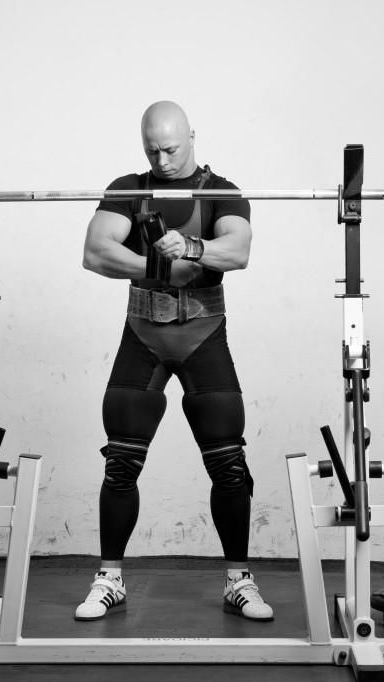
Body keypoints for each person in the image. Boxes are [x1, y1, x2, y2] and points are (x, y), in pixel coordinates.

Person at [76, 101, 273, 622]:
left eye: (171, 147)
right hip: (143, 335)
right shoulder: (129, 188)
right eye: (152, 148)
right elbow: (96, 251)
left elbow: (238, 251)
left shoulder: (221, 191)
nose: (161, 159)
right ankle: (110, 578)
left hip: (204, 335)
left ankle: (238, 580)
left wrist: (191, 244)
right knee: (120, 463)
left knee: (229, 464)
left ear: (193, 137)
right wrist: (160, 267)